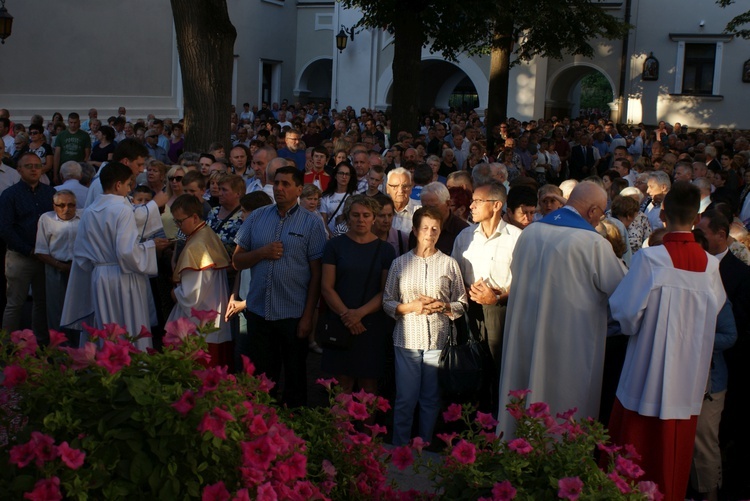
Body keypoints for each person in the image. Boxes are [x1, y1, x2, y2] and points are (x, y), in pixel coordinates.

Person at [607, 182, 728, 501]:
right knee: (671, 461)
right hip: (687, 379)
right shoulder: (711, 266)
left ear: (662, 214)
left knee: (635, 459)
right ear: (696, 218)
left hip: (646, 372)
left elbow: (626, 315)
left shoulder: (650, 260)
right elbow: (712, 311)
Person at [496, 181, 626, 439]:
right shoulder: (593, 243)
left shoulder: (530, 232)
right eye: (601, 213)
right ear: (592, 212)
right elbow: (623, 292)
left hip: (526, 336)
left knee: (522, 395)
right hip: (570, 346)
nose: (600, 220)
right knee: (564, 409)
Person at [233, 166, 327, 407]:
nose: (280, 188)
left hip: (293, 314)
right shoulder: (256, 217)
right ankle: (261, 426)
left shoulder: (312, 224)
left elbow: (317, 275)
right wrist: (261, 253)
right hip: (258, 313)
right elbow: (237, 260)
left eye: (286, 184)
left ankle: (294, 430)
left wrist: (308, 317)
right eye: (276, 183)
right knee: (262, 379)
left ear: (298, 189)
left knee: (295, 378)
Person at [60, 162, 170, 350]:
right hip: (123, 276)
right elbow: (127, 252)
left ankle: (106, 366)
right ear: (118, 185)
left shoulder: (89, 210)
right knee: (128, 325)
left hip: (99, 276)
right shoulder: (123, 209)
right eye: (129, 184)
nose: (130, 189)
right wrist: (151, 246)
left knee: (105, 326)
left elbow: (81, 253)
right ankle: (131, 368)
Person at [383, 207, 468, 446]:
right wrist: (412, 306)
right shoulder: (400, 263)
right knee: (405, 398)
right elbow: (387, 302)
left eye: (435, 229)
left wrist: (442, 306)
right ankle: (399, 447)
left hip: (438, 342)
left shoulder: (449, 264)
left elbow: (462, 302)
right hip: (407, 340)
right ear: (415, 231)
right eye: (425, 228)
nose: (430, 233)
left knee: (430, 398)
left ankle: (424, 446)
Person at [452, 182, 521, 414]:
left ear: (496, 205)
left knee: (498, 368)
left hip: (501, 311)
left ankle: (498, 420)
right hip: (469, 309)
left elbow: (525, 281)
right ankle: (471, 421)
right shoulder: (465, 236)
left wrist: (498, 297)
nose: (471, 206)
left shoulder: (516, 238)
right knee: (471, 366)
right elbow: (454, 274)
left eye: (477, 201)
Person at [320, 195, 396, 395]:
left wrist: (358, 315)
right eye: (355, 215)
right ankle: (340, 427)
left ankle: (368, 428)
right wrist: (348, 316)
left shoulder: (386, 250)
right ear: (347, 218)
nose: (360, 219)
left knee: (368, 387)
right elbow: (327, 287)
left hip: (370, 326)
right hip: (340, 322)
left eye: (366, 215)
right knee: (341, 385)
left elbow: (385, 291)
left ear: (373, 218)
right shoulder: (334, 246)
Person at [167, 194, 232, 365]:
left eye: (180, 222)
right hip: (213, 306)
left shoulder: (197, 245)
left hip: (200, 316)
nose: (178, 227)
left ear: (195, 217)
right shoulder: (206, 233)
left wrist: (176, 294)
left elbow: (192, 294)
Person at [0, 152, 56, 341]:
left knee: (42, 303)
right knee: (15, 303)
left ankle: (41, 342)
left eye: (38, 166)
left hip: (45, 257)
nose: (34, 169)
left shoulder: (50, 193)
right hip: (20, 257)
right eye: (29, 166)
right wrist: (28, 250)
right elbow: (5, 229)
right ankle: (7, 346)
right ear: (19, 170)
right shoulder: (9, 195)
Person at [34, 190, 81, 335]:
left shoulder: (84, 217)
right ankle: (57, 348)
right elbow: (41, 250)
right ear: (54, 206)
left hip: (79, 267)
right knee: (55, 309)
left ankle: (78, 348)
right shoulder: (46, 219)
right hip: (55, 266)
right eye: (61, 205)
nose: (66, 209)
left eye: (71, 205)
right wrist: (61, 266)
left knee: (78, 307)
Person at [320, 161, 358, 235]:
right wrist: (331, 236)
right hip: (330, 235)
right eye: (341, 173)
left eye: (347, 174)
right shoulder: (326, 197)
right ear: (335, 175)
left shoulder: (355, 195)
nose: (344, 177)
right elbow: (323, 221)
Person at [53, 113, 91, 183]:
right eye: (71, 122)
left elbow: (87, 155)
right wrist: (55, 174)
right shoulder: (61, 135)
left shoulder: (85, 136)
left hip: (78, 169)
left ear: (79, 122)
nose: (73, 125)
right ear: (68, 122)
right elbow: (57, 155)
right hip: (64, 168)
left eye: (75, 122)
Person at [386, 167, 421, 233]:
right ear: (387, 188)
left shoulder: (420, 211)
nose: (400, 191)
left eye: (405, 186)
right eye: (395, 186)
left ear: (411, 188)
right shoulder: (379, 210)